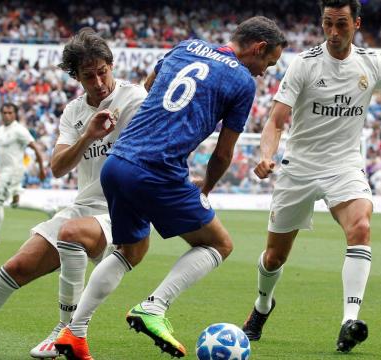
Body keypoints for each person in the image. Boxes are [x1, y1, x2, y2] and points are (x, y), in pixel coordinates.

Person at [240, 0, 381, 354]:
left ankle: (349, 321)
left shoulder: (373, 64)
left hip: (344, 166)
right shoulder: (304, 65)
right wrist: (266, 155)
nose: (333, 33)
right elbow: (275, 121)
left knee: (361, 227)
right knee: (274, 258)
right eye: (328, 24)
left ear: (357, 23)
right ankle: (262, 306)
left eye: (342, 25)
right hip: (299, 168)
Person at [53, 16, 287, 360]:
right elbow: (224, 153)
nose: (264, 71)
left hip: (117, 163)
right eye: (268, 62)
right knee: (219, 244)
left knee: (131, 250)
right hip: (157, 168)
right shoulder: (241, 80)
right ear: (259, 48)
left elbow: (150, 87)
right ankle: (154, 306)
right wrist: (206, 186)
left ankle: (74, 331)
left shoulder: (186, 46)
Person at [0, 29, 148, 358]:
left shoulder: (134, 99)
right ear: (75, 77)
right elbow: (58, 166)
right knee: (17, 266)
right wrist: (89, 134)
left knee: (71, 234)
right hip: (84, 205)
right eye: (88, 76)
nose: (99, 82)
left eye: (103, 72)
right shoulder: (74, 112)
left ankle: (66, 332)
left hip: (121, 207)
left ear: (111, 64)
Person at [0, 102, 50, 245]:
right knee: (15, 203)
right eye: (4, 113)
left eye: (10, 113)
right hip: (4, 170)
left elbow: (35, 148)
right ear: (1, 114)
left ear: (15, 114)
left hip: (13, 171)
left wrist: (41, 169)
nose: (7, 115)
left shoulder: (19, 130)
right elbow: (0, 149)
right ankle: (47, 208)